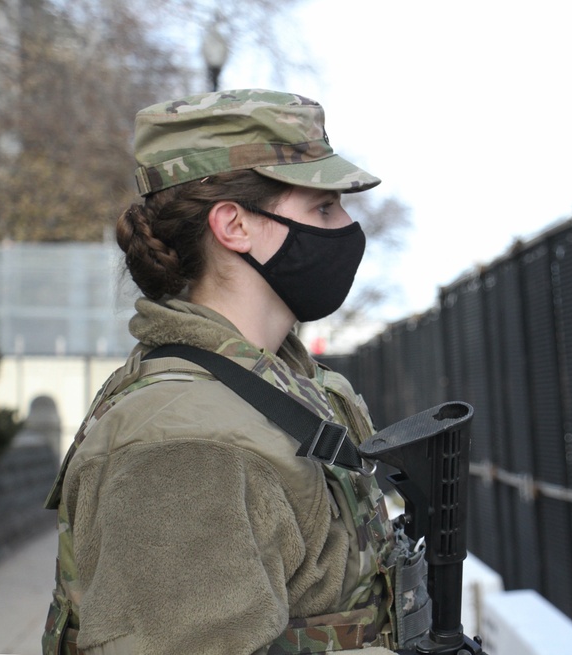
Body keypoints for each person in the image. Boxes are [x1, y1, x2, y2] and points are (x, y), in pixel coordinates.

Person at [41, 89, 427, 655]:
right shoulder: (186, 443)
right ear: (234, 226)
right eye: (323, 207)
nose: (348, 227)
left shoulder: (295, 390)